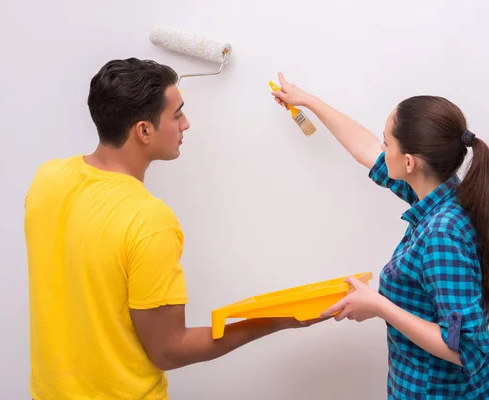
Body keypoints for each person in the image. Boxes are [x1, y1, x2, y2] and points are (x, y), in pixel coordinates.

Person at [24, 59, 320, 400]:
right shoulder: (148, 219)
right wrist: (277, 320)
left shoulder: (47, 179)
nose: (186, 124)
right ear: (144, 131)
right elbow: (168, 350)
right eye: (177, 114)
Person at [271, 73, 489, 399]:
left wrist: (379, 305)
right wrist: (307, 100)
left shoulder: (442, 235)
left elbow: (466, 349)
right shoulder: (439, 194)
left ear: (409, 162)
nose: (382, 148)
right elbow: (366, 149)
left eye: (387, 142)